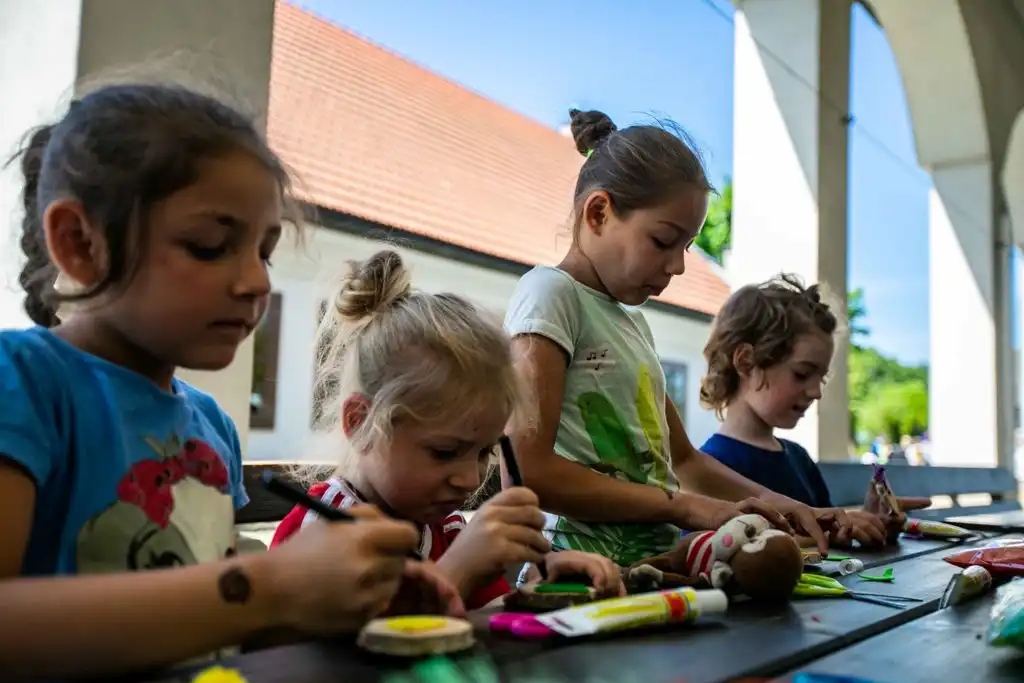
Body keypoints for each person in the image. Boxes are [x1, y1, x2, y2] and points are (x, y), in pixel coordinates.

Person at [0, 83, 458, 680]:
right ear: (81, 244)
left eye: (263, 253)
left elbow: (221, 627)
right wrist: (268, 586)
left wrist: (342, 599)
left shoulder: (212, 426)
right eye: (210, 246)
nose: (257, 282)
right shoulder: (23, 384)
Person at [503, 108, 845, 566]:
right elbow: (525, 469)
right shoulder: (550, 294)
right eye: (663, 241)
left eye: (686, 247)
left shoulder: (632, 326)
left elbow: (683, 461)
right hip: (576, 569)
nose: (678, 266)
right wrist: (685, 507)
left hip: (652, 564)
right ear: (599, 213)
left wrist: (778, 504)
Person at [271, 250, 624, 608]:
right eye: (444, 452)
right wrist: (459, 570)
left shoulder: (445, 527)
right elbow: (352, 639)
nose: (471, 480)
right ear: (359, 422)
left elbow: (482, 614)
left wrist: (538, 588)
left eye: (485, 452)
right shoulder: (320, 531)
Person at [699, 275, 930, 547]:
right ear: (747, 362)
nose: (816, 392)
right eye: (801, 374)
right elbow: (715, 551)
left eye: (821, 378)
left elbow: (827, 538)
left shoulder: (799, 459)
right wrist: (825, 534)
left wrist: (867, 524)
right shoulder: (708, 467)